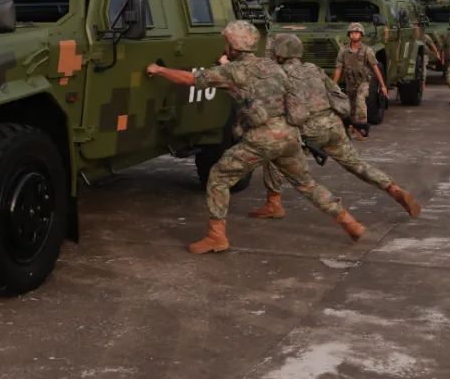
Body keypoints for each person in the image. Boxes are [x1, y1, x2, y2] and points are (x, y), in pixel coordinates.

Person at [145, 20, 365, 253]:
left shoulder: (232, 71)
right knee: (307, 184)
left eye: (226, 43)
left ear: (233, 46)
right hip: (289, 136)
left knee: (218, 177)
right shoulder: (270, 66)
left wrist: (159, 70)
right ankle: (350, 222)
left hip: (261, 139)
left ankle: (216, 236)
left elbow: (191, 79)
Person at [253, 34, 422, 220]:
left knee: (274, 157)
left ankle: (273, 203)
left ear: (279, 53)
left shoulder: (279, 75)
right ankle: (393, 189)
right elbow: (337, 95)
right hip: (333, 124)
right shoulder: (313, 69)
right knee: (357, 165)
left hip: (309, 131)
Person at [332, 22, 387, 139]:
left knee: (360, 102)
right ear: (349, 35)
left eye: (357, 32)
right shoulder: (343, 51)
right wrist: (334, 85)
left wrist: (382, 85)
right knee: (351, 106)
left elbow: (375, 68)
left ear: (361, 35)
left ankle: (361, 129)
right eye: (352, 32)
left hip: (364, 82)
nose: (354, 35)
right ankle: (353, 127)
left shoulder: (367, 50)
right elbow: (338, 68)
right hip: (350, 82)